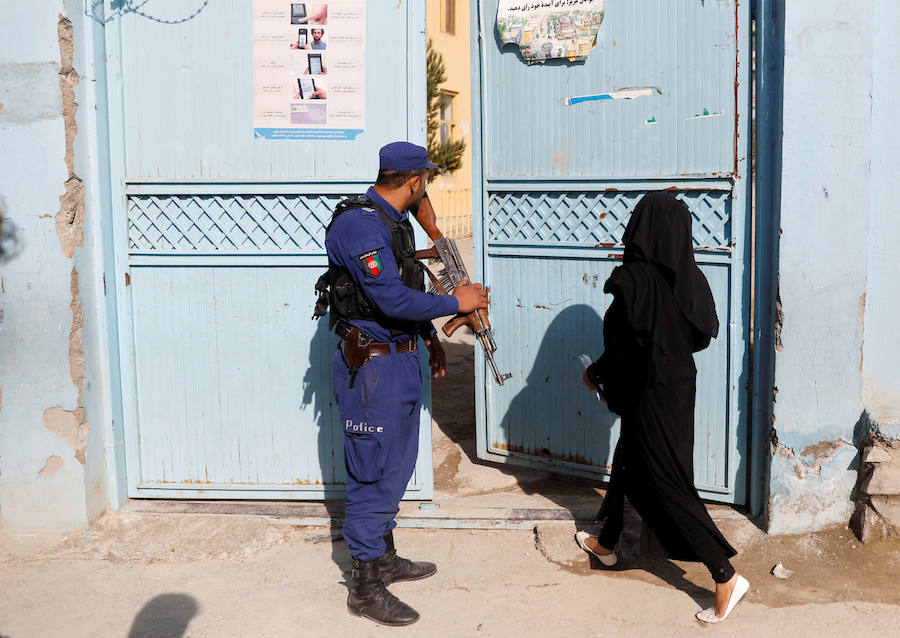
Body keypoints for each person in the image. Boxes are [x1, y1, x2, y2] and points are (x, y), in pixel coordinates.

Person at [323, 141, 489, 627]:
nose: (426, 192)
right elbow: (390, 297)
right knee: (373, 472)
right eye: (426, 182)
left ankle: (384, 557)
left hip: (396, 362)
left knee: (394, 468)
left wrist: (428, 339)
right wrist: (455, 303)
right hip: (370, 370)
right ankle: (364, 587)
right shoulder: (360, 225)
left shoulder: (389, 224)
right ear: (415, 181)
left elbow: (403, 292)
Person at [575, 191, 749, 623]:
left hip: (648, 389)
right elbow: (702, 334)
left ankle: (725, 573)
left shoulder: (634, 279)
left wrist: (596, 374)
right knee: (630, 462)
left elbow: (622, 346)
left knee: (665, 480)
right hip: (677, 384)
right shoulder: (687, 278)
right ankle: (608, 545)